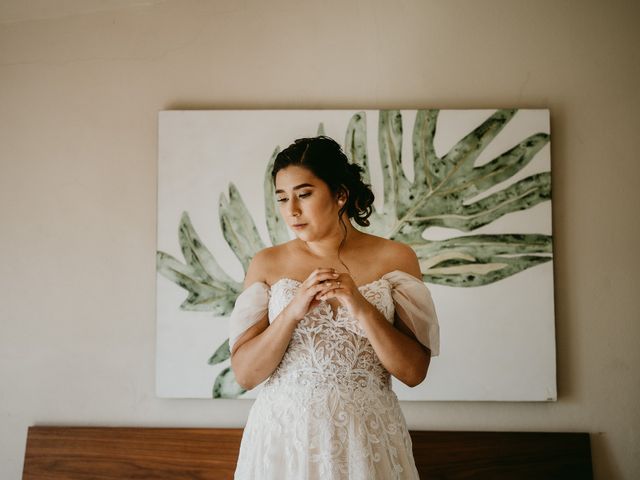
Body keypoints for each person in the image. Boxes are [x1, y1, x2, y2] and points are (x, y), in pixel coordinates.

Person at [228, 135, 440, 479]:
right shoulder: (267, 263)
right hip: (283, 438)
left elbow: (414, 373)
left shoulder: (395, 258)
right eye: (282, 198)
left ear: (340, 194)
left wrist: (361, 307)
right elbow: (246, 374)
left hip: (366, 440)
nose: (291, 210)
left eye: (304, 194)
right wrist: (293, 311)